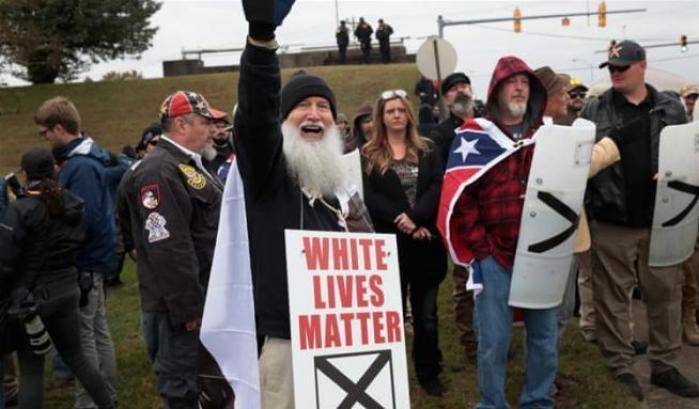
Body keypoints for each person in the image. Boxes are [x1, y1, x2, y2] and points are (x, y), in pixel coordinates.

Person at [235, 8, 373, 407]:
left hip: (346, 334)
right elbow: (257, 116)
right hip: (288, 338)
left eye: (323, 106)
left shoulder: (340, 183)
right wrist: (261, 40)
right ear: (284, 118)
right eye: (303, 106)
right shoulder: (268, 175)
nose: (314, 114)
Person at [580, 39, 698, 400]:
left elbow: (687, 152)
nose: (616, 73)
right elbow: (580, 162)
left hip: (661, 219)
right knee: (612, 299)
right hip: (612, 220)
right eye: (612, 68)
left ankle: (664, 366)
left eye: (623, 67)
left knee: (665, 295)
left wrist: (675, 173)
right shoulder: (594, 109)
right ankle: (621, 367)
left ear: (642, 66)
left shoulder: (670, 107)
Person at [452, 55, 555, 408]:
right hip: (494, 254)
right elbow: (462, 196)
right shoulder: (476, 137)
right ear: (497, 90)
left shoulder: (548, 136)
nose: (519, 88)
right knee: (494, 340)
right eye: (512, 82)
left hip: (541, 252)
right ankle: (492, 403)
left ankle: (537, 400)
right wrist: (480, 247)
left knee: (544, 336)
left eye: (525, 82)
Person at [122, 90, 233, 408]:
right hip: (180, 311)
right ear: (182, 125)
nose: (213, 130)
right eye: (205, 123)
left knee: (210, 387)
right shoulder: (159, 170)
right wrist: (189, 309)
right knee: (184, 390)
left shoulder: (188, 165)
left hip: (203, 298)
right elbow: (169, 247)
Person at [0, 148, 115, 409]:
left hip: (32, 297)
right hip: (67, 288)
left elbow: (6, 259)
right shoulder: (70, 203)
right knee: (78, 358)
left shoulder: (21, 210)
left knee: (31, 367)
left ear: (25, 173)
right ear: (55, 169)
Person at [34, 96, 122, 408]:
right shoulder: (88, 157)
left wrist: (61, 244)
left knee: (85, 340)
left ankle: (90, 403)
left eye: (46, 133)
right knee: (97, 331)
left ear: (59, 128)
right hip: (94, 259)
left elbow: (87, 219)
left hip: (85, 262)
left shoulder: (81, 166)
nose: (45, 139)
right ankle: (106, 396)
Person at [362, 89, 446, 395]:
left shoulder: (427, 149)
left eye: (400, 110)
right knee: (390, 316)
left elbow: (437, 186)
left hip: (426, 243)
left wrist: (418, 218)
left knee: (427, 315)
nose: (396, 115)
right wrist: (405, 221)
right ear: (381, 117)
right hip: (389, 247)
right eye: (390, 111)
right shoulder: (368, 154)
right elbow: (369, 196)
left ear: (408, 114)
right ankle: (390, 375)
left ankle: (428, 371)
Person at [426, 71, 478, 365]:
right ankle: (471, 341)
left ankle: (493, 334)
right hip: (460, 219)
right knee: (465, 283)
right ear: (445, 99)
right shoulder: (440, 135)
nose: (460, 91)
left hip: (491, 215)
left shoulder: (488, 125)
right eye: (453, 89)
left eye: (464, 86)